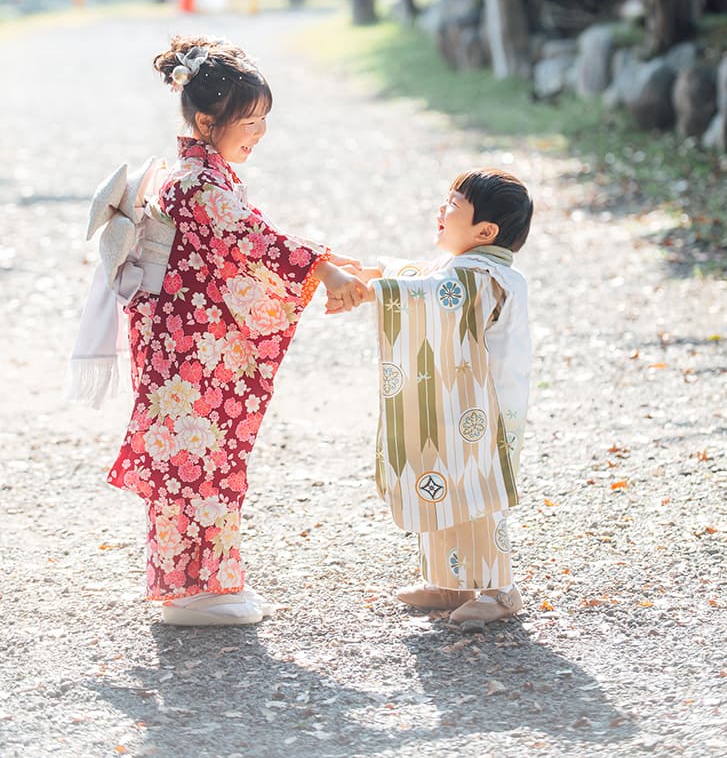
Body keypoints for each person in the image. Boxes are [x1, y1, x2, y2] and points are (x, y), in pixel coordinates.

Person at [72, 35, 367, 626]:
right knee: (194, 459)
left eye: (263, 120)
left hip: (189, 340)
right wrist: (325, 269)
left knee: (205, 457)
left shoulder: (203, 175)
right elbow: (257, 241)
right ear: (207, 120)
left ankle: (204, 584)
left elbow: (249, 241)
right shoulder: (195, 182)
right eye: (249, 120)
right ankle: (190, 592)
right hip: (188, 350)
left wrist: (332, 267)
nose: (258, 132)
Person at [332, 168, 533, 628]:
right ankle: (453, 579)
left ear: (485, 232)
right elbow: (425, 279)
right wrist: (380, 273)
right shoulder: (466, 268)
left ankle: (501, 589)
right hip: (461, 400)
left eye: (453, 207)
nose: (440, 212)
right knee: (441, 476)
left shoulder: (485, 275)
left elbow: (432, 294)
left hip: (485, 412)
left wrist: (373, 293)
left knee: (475, 489)